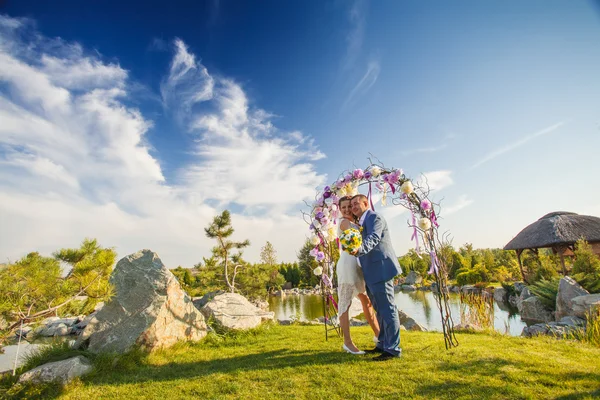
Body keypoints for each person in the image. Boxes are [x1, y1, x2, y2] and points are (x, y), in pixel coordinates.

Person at [351, 194, 403, 361]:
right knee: (379, 309)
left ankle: (393, 349)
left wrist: (359, 250)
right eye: (351, 205)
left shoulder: (375, 217)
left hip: (381, 268)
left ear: (366, 203)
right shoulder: (361, 223)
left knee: (387, 309)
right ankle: (382, 343)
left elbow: (373, 238)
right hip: (371, 270)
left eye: (356, 204)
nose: (353, 207)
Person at [336, 196, 380, 355]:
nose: (347, 210)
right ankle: (348, 343)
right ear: (339, 210)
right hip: (348, 266)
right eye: (343, 207)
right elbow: (356, 238)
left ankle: (378, 335)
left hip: (360, 265)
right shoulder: (344, 223)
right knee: (345, 303)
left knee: (367, 301)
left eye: (349, 206)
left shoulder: (359, 222)